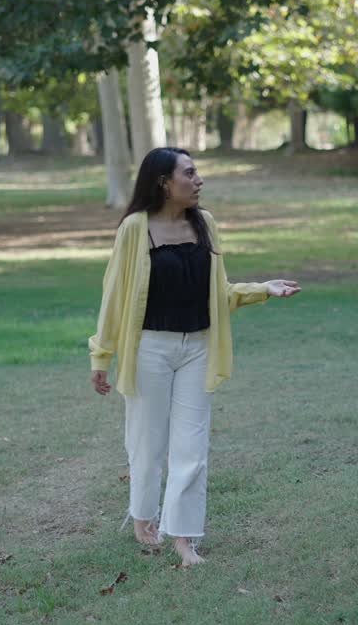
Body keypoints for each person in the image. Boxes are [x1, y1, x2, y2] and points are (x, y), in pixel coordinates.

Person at [88, 147, 301, 567]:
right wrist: (101, 356)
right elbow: (114, 297)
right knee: (146, 445)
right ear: (164, 183)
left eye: (197, 171)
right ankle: (143, 516)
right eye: (189, 173)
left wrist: (262, 288)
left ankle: (184, 539)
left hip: (198, 347)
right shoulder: (135, 228)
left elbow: (216, 293)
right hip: (149, 348)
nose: (199, 179)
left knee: (192, 447)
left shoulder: (205, 224)